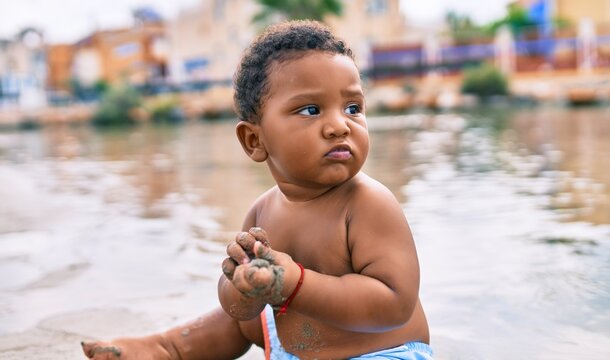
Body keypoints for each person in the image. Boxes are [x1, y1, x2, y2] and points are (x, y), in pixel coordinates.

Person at [81, 20, 431, 360]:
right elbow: (235, 307)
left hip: (382, 353)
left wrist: (294, 283)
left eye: (353, 108)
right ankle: (170, 347)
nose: (340, 125)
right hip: (291, 348)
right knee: (239, 322)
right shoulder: (262, 213)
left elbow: (394, 304)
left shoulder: (368, 203)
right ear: (254, 140)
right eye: (311, 110)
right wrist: (245, 288)